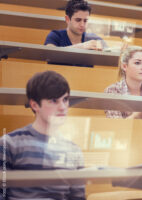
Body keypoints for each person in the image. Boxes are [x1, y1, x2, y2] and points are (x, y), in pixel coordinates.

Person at [0, 71, 85, 199]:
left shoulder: (74, 150)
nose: (62, 107)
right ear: (34, 105)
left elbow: (78, 198)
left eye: (65, 99)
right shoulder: (9, 143)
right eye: (53, 101)